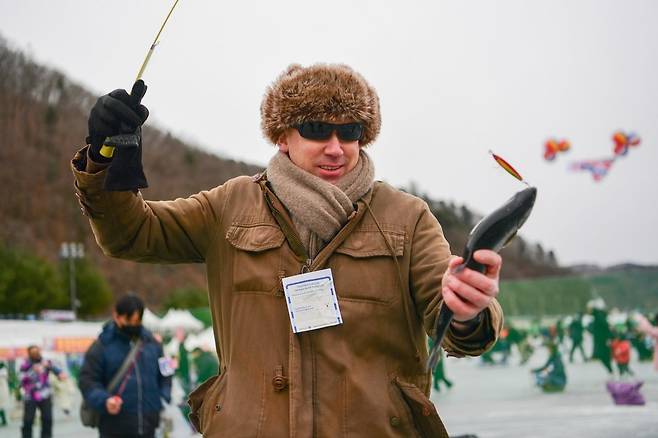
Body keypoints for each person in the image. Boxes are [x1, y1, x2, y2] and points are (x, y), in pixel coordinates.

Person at [71, 63, 504, 437]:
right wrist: (106, 156)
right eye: (317, 129)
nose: (336, 147)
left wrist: (468, 309)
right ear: (281, 135)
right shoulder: (230, 205)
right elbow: (132, 233)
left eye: (350, 132)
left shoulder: (407, 217)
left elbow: (455, 325)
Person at [78, 294, 172, 438]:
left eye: (138, 321)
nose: (134, 325)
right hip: (115, 425)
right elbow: (87, 381)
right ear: (117, 316)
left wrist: (164, 395)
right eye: (130, 320)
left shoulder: (154, 343)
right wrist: (104, 400)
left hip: (149, 423)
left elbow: (166, 372)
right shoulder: (101, 346)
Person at [19, 345, 66, 438]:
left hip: (45, 394)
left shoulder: (46, 362)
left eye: (37, 352)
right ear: (29, 354)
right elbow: (21, 379)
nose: (36, 354)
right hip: (30, 396)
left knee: (47, 419)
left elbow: (60, 374)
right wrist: (32, 371)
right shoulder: (25, 364)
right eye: (33, 352)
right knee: (28, 421)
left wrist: (60, 374)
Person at [0, 361, 9, 427]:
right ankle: (4, 420)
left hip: (2, 390)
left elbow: (4, 377)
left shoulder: (3, 371)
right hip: (2, 390)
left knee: (1, 406)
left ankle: (4, 420)